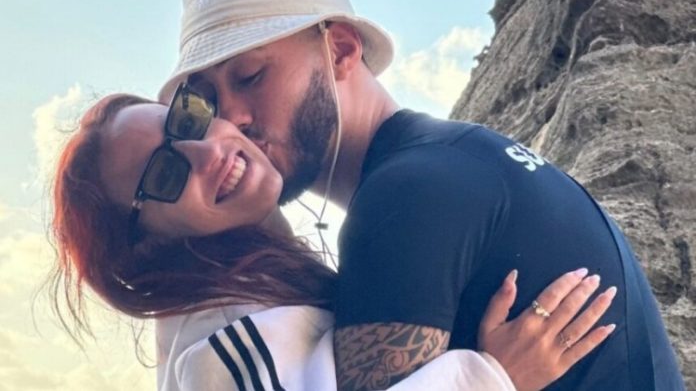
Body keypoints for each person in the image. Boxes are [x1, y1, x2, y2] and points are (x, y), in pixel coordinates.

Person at [156, 0, 685, 390]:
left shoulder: (404, 199)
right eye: (210, 102)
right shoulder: (462, 157)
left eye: (250, 76)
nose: (231, 119)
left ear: (340, 50)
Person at [49, 86, 614, 391]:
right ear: (148, 246)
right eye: (162, 174)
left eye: (188, 120)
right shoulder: (221, 345)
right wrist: (496, 377)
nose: (206, 151)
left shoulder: (259, 290)